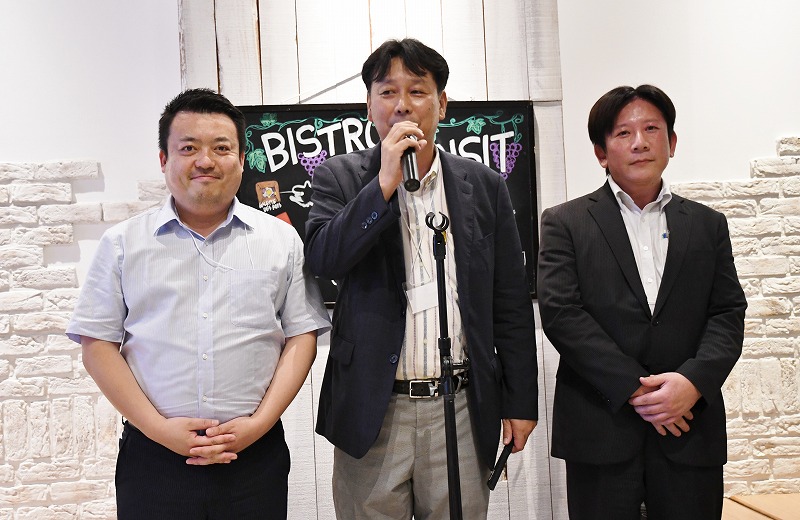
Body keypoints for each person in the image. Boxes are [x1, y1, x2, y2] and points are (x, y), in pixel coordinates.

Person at [66, 88, 331, 520]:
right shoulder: (122, 244)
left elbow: (302, 336)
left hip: (254, 458)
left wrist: (259, 424)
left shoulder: (281, 240)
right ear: (163, 159)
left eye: (221, 148)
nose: (205, 161)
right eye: (188, 148)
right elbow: (97, 345)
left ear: (241, 160)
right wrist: (159, 429)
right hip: (153, 457)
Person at [304, 38, 538, 519]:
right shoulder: (339, 177)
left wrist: (520, 401)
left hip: (462, 405)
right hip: (373, 407)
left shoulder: (484, 186)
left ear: (442, 104)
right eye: (388, 92)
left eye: (417, 90)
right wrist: (382, 185)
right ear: (369, 105)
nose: (402, 104)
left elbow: (510, 302)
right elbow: (325, 260)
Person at [537, 84, 747, 520]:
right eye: (623, 133)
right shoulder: (565, 222)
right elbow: (562, 314)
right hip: (601, 426)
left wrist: (692, 383)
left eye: (652, 129)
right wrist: (636, 389)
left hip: (690, 424)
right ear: (601, 153)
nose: (640, 142)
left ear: (672, 142)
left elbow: (727, 313)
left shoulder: (708, 224)